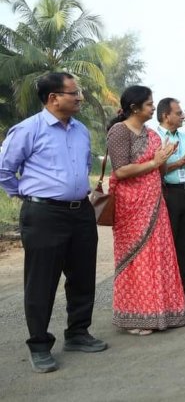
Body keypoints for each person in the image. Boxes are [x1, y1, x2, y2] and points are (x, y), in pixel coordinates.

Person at [0, 72, 107, 373]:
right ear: (53, 98)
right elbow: (4, 170)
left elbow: (83, 166)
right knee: (42, 281)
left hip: (80, 211)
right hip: (44, 214)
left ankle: (77, 333)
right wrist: (26, 196)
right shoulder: (27, 130)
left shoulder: (81, 130)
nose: (80, 98)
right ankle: (39, 345)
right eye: (74, 93)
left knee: (83, 275)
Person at [107, 86, 185, 335]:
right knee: (137, 258)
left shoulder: (152, 135)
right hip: (131, 206)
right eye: (150, 104)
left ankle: (162, 311)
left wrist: (163, 159)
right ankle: (137, 315)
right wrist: (155, 161)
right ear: (134, 107)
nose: (154, 108)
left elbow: (159, 171)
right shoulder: (119, 131)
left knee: (159, 256)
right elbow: (120, 170)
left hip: (155, 202)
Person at [155, 97, 185, 309]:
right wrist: (178, 163)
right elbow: (155, 170)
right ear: (166, 115)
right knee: (166, 247)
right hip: (166, 194)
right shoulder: (154, 137)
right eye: (178, 112)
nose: (183, 115)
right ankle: (167, 296)